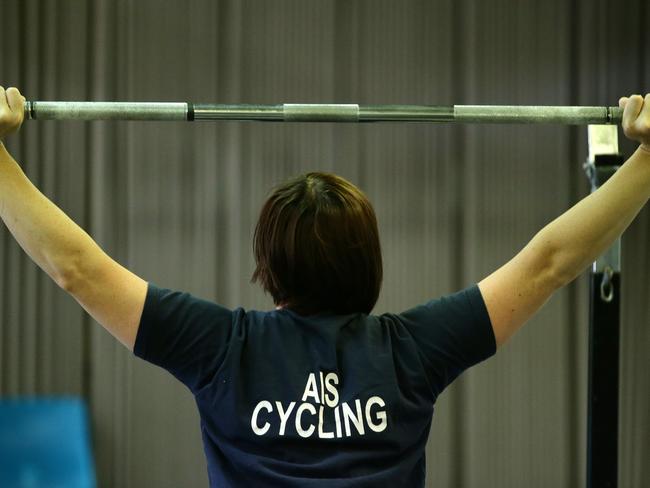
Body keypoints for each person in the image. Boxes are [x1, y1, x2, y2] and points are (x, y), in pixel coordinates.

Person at [0, 86, 648, 487]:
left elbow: (75, 268)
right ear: (370, 261)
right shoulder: (413, 349)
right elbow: (549, 262)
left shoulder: (222, 346)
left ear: (268, 266)